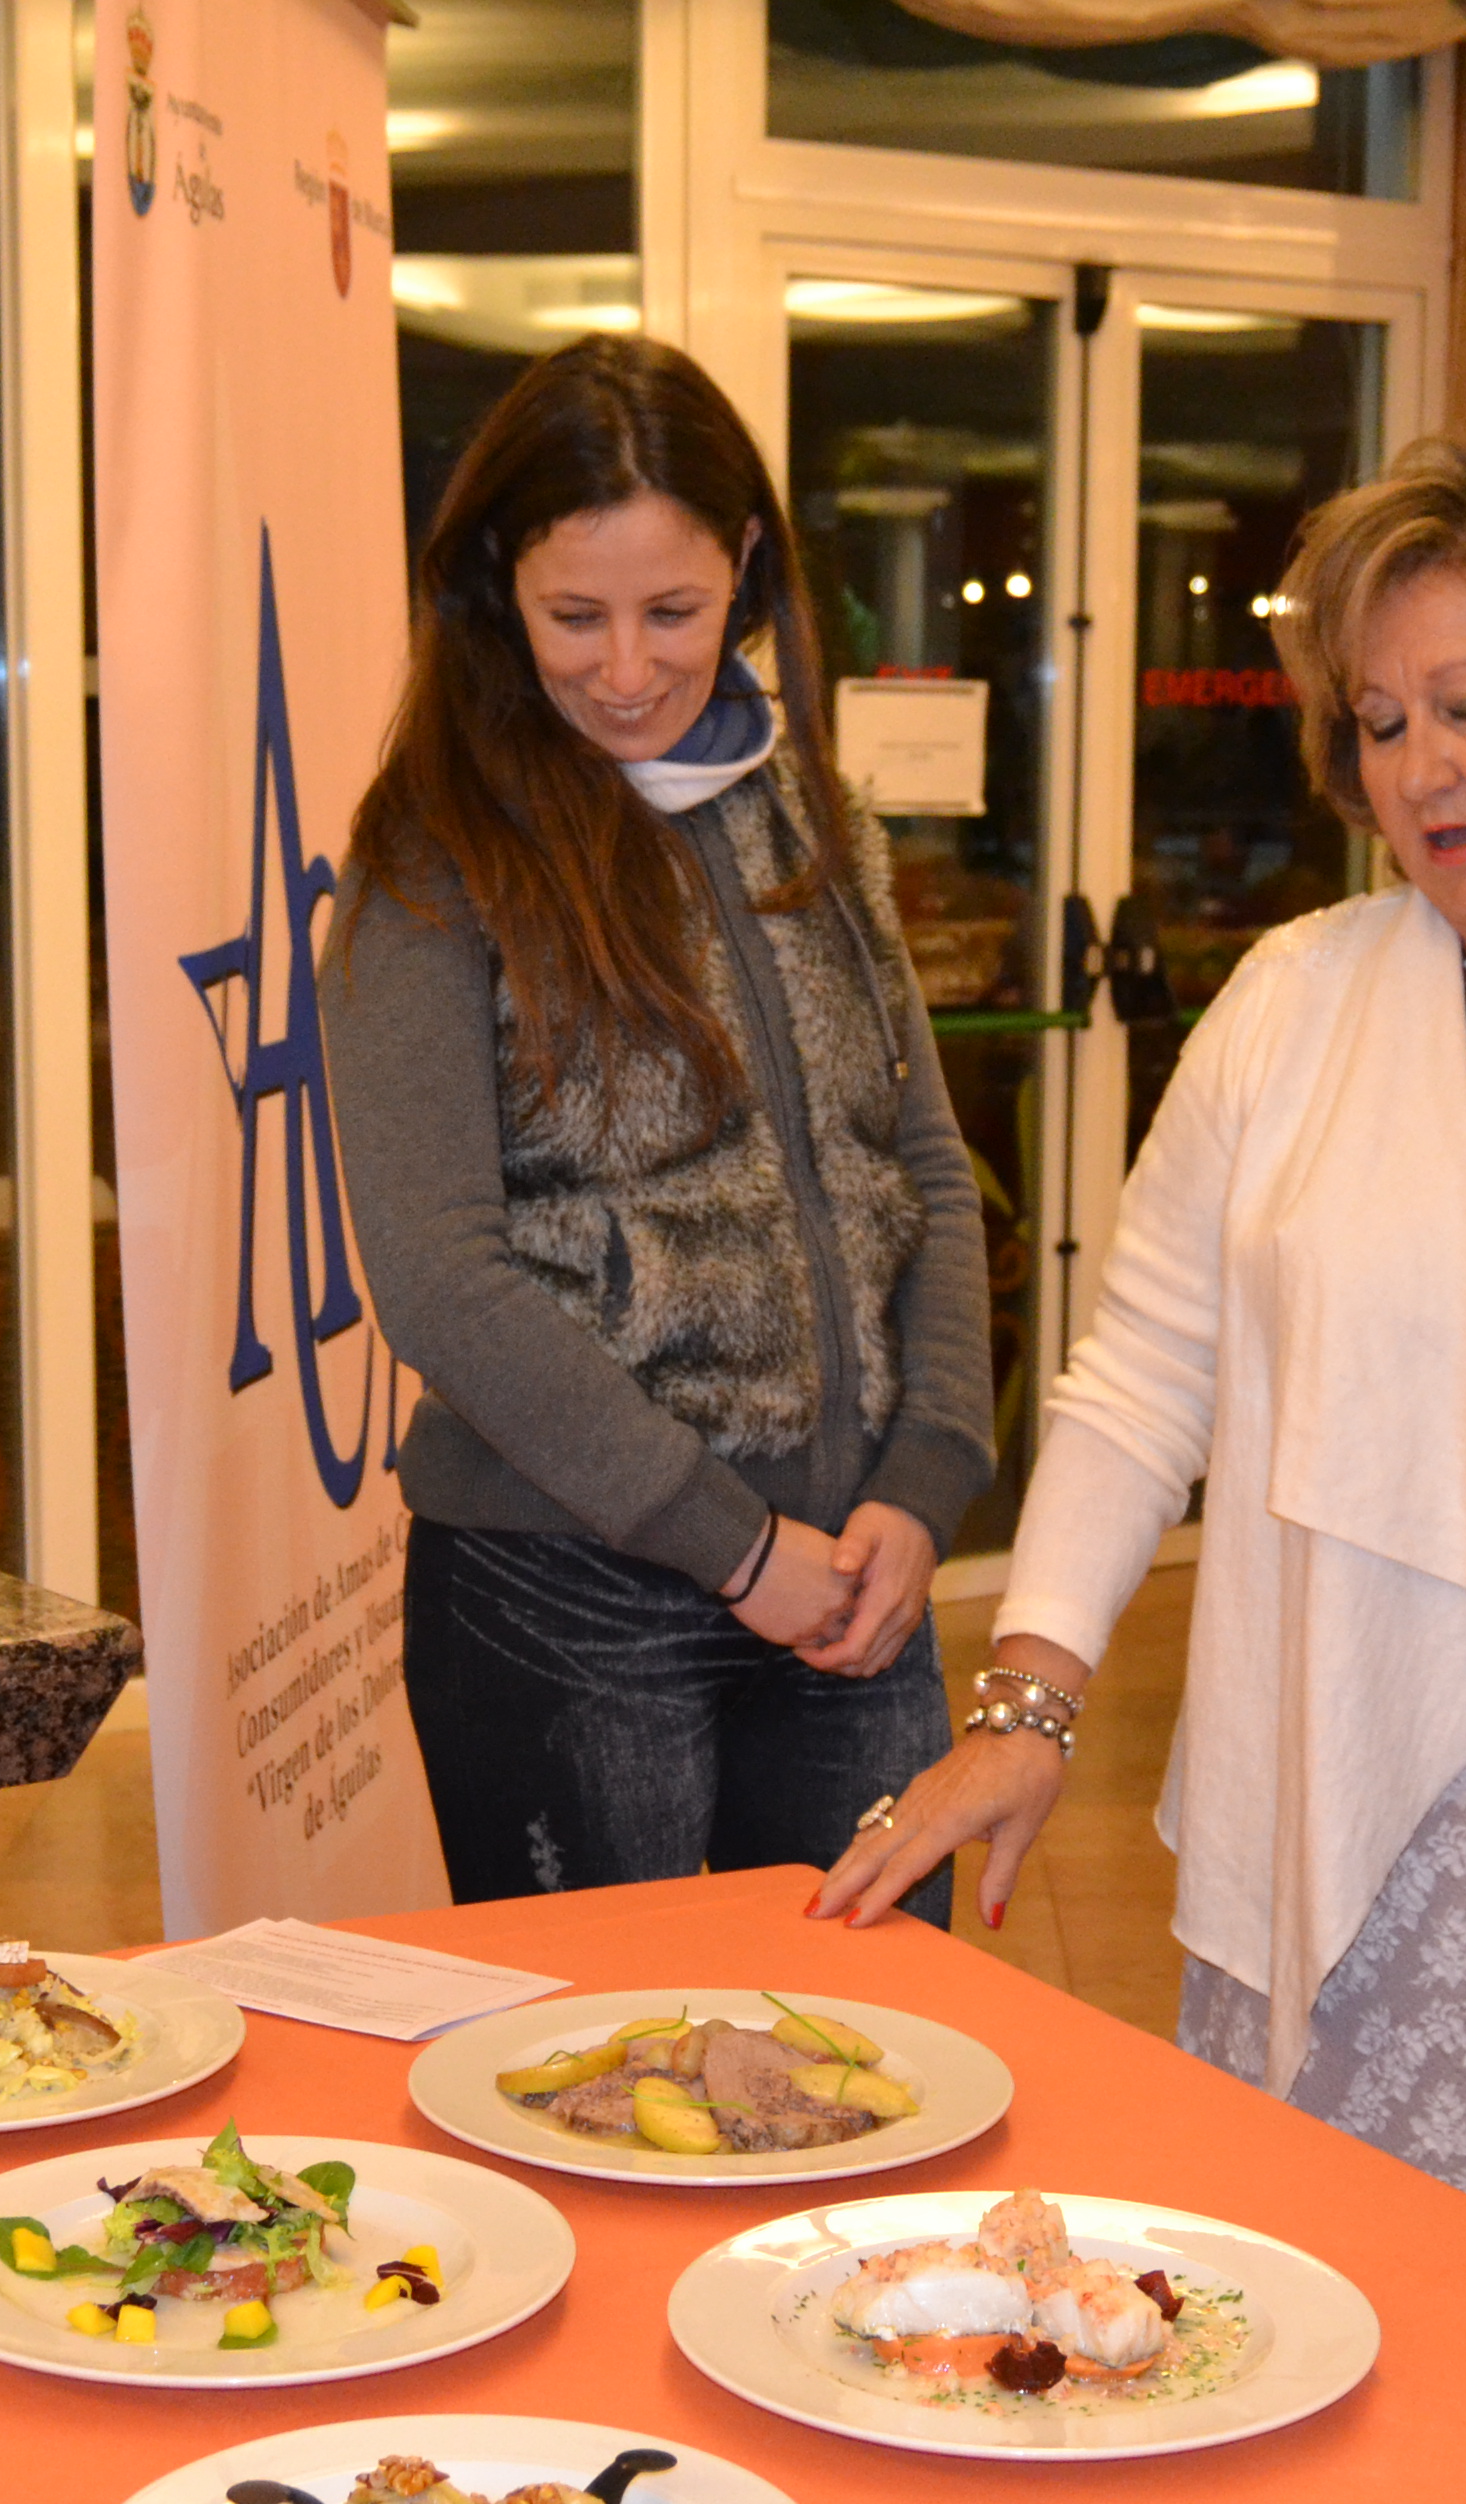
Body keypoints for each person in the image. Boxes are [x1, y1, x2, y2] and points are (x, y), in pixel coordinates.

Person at [809, 432, 1466, 2293]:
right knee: (1333, 2322)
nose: (1417, 769)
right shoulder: (1296, 999)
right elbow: (1142, 1375)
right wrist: (1026, 1707)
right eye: (1378, 723)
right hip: (1348, 1815)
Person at [328, 336, 992, 1920]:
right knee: (599, 2055)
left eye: (674, 612)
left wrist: (926, 1478)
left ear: (747, 564)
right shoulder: (434, 855)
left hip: (850, 1575)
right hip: (564, 1595)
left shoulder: (810, 812)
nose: (626, 670)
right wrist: (733, 1547)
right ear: (498, 585)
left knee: (876, 2041)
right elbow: (441, 1279)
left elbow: (919, 1162)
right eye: (576, 616)